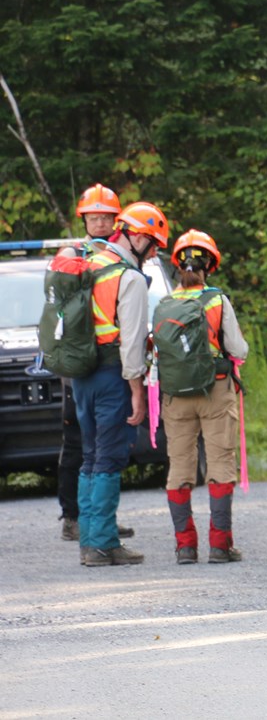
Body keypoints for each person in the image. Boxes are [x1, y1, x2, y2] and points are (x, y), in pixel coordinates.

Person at [71, 200, 170, 567]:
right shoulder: (128, 278)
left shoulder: (90, 263)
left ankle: (89, 542)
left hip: (82, 375)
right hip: (112, 375)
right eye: (154, 244)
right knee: (110, 457)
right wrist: (137, 391)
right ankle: (103, 544)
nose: (155, 252)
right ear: (138, 238)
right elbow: (131, 342)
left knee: (90, 456)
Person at [157, 230, 250, 564]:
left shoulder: (164, 303)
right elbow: (238, 349)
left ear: (177, 265)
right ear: (210, 265)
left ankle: (185, 547)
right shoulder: (217, 300)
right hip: (215, 390)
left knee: (179, 467)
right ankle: (220, 546)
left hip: (175, 396)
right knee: (220, 464)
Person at [55, 184, 134, 544]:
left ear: (115, 220)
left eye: (106, 217)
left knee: (102, 447)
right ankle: (77, 521)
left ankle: (98, 523)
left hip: (99, 364)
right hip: (84, 366)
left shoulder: (114, 256)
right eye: (94, 217)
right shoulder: (74, 255)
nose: (100, 222)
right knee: (83, 445)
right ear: (84, 219)